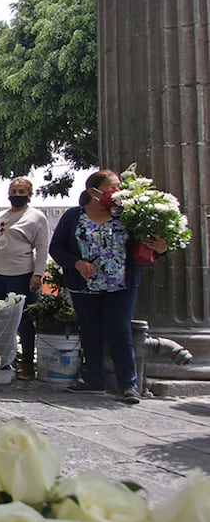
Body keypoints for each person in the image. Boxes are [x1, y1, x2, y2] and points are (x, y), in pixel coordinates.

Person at [49, 170, 167, 404]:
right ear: (95, 192)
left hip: (121, 284)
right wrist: (76, 263)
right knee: (91, 331)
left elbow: (146, 247)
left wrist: (161, 249)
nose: (118, 192)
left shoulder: (128, 217)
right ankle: (94, 380)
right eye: (113, 187)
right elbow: (57, 248)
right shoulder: (73, 217)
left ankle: (128, 385)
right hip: (84, 285)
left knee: (119, 330)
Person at [0, 177, 50, 379]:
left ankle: (27, 364)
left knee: (23, 320)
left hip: (22, 274)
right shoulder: (1, 215)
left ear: (29, 194)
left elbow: (42, 247)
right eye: (14, 191)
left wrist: (38, 273)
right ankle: (2, 358)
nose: (17, 195)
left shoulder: (36, 217)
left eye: (21, 191)